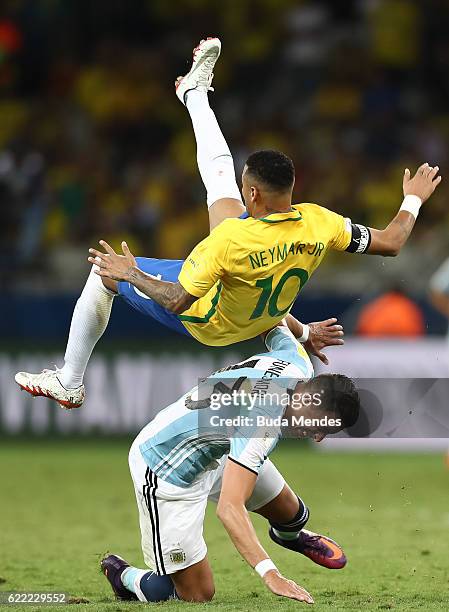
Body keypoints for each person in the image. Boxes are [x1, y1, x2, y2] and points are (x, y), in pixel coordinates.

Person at [15, 37, 441, 409]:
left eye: (245, 186)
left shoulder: (229, 240)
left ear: (253, 194)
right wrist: (413, 198)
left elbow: (177, 300)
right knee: (219, 187)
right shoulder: (319, 222)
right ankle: (194, 94)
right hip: (260, 315)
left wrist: (132, 275)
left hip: (210, 321)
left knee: (101, 274)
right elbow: (391, 240)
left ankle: (69, 382)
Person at [100, 322, 360, 604]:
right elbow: (229, 508)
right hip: (167, 468)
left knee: (292, 513)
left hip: (218, 447)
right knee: (194, 594)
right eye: (323, 425)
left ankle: (290, 536)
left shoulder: (297, 363)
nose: (319, 436)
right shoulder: (260, 426)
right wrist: (270, 574)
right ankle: (124, 575)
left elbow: (271, 316)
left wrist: (305, 334)